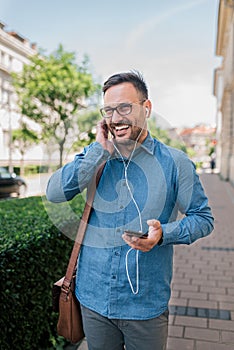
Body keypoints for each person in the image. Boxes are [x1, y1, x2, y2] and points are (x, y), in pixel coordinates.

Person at [46, 70, 214, 350]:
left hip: (144, 305)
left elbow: (203, 218)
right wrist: (97, 152)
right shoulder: (96, 155)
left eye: (124, 107)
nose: (115, 118)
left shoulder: (176, 163)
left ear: (146, 108)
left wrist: (163, 234)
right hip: (93, 299)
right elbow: (54, 193)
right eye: (109, 110)